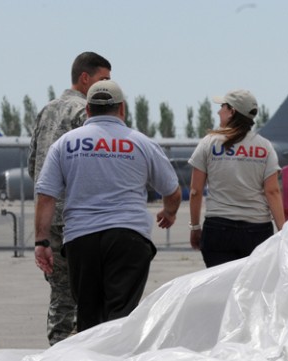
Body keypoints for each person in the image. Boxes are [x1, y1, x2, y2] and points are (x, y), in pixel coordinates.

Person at [34, 80, 181, 332]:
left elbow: (46, 196)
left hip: (81, 240)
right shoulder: (142, 143)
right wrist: (169, 212)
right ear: (122, 109)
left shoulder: (65, 144)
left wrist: (41, 241)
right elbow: (172, 190)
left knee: (88, 319)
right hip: (129, 239)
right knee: (121, 319)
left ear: (88, 110)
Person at [27, 51, 111, 345]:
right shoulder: (86, 112)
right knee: (90, 294)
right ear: (85, 78)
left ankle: (57, 347)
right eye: (103, 80)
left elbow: (32, 163)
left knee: (60, 294)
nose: (107, 87)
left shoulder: (47, 110)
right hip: (80, 219)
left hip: (49, 218)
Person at [188, 89, 285, 268]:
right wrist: (283, 231)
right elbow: (272, 191)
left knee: (220, 290)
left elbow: (195, 191)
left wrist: (195, 227)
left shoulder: (209, 143)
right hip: (257, 230)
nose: (219, 111)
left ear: (232, 111)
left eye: (222, 107)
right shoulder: (265, 147)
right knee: (250, 290)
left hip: (218, 229)